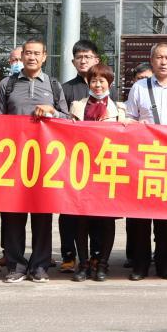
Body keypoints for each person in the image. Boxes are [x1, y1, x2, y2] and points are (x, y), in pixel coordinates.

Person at [0, 37, 66, 283]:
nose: (32, 57)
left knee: (43, 216)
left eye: (37, 53)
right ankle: (15, 265)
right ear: (21, 56)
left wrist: (52, 111)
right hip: (13, 160)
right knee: (12, 215)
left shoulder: (54, 85)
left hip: (45, 162)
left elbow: (68, 119)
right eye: (28, 53)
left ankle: (40, 265)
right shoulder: (7, 84)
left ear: (44, 57)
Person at [124, 42, 167, 280]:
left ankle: (166, 265)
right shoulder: (139, 87)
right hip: (144, 158)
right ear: (151, 61)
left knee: (166, 215)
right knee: (140, 215)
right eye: (159, 57)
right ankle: (140, 265)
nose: (163, 62)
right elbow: (128, 119)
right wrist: (137, 125)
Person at [67, 63, 128, 282]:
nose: (98, 85)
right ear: (88, 82)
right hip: (82, 170)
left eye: (102, 80)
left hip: (108, 170)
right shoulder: (77, 106)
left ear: (109, 83)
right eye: (94, 80)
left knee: (106, 220)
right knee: (81, 220)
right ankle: (83, 264)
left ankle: (102, 263)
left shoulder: (119, 109)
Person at [58, 39, 101, 274]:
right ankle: (68, 255)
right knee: (67, 210)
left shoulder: (106, 87)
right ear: (73, 61)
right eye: (79, 57)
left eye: (88, 56)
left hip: (99, 160)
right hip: (71, 159)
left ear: (97, 60)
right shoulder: (65, 89)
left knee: (96, 212)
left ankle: (95, 256)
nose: (83, 61)